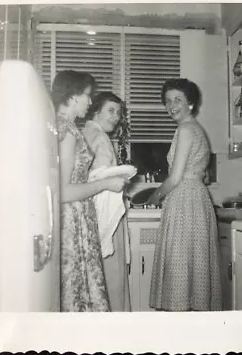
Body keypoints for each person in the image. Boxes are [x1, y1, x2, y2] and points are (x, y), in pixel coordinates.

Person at [52, 70, 129, 312]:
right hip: (73, 220)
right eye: (87, 96)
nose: (89, 101)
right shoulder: (67, 131)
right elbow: (62, 191)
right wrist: (106, 183)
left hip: (74, 218)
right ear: (73, 96)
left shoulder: (60, 126)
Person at [147, 78, 222, 311]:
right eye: (168, 101)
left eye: (178, 99)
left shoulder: (186, 129)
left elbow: (176, 177)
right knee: (194, 267)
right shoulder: (196, 129)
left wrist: (155, 196)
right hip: (196, 199)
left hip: (185, 201)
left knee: (180, 266)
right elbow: (204, 176)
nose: (172, 105)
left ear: (190, 102)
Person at [82, 91, 131, 312]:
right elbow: (100, 177)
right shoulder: (100, 137)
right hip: (105, 214)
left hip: (89, 212)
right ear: (96, 111)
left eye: (118, 113)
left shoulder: (87, 132)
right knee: (112, 277)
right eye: (110, 111)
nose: (116, 117)